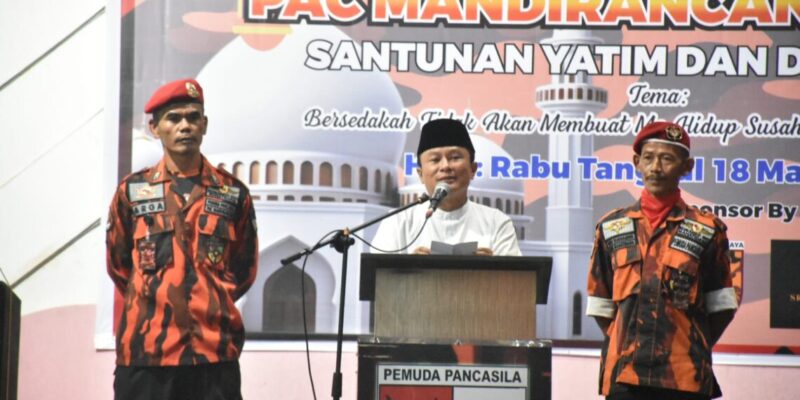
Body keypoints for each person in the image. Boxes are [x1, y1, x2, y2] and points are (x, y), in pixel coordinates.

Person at [106, 78, 258, 400]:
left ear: (205, 125)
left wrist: (208, 296)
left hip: (214, 354)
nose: (185, 126)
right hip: (146, 354)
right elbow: (119, 266)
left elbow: (244, 270)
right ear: (154, 128)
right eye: (173, 118)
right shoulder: (131, 192)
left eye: (193, 117)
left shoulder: (233, 193)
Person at [586, 121, 738, 400]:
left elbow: (722, 307)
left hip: (684, 376)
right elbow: (601, 305)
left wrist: (689, 345)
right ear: (637, 162)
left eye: (667, 159)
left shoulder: (707, 229)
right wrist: (631, 343)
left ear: (686, 167)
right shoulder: (611, 226)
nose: (656, 167)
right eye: (648, 158)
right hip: (624, 376)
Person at [372, 118, 521, 256]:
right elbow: (379, 273)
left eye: (455, 157)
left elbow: (514, 275)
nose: (445, 166)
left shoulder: (496, 222)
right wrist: (410, 267)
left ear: (473, 169)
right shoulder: (397, 221)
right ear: (421, 174)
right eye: (435, 160)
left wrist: (489, 268)